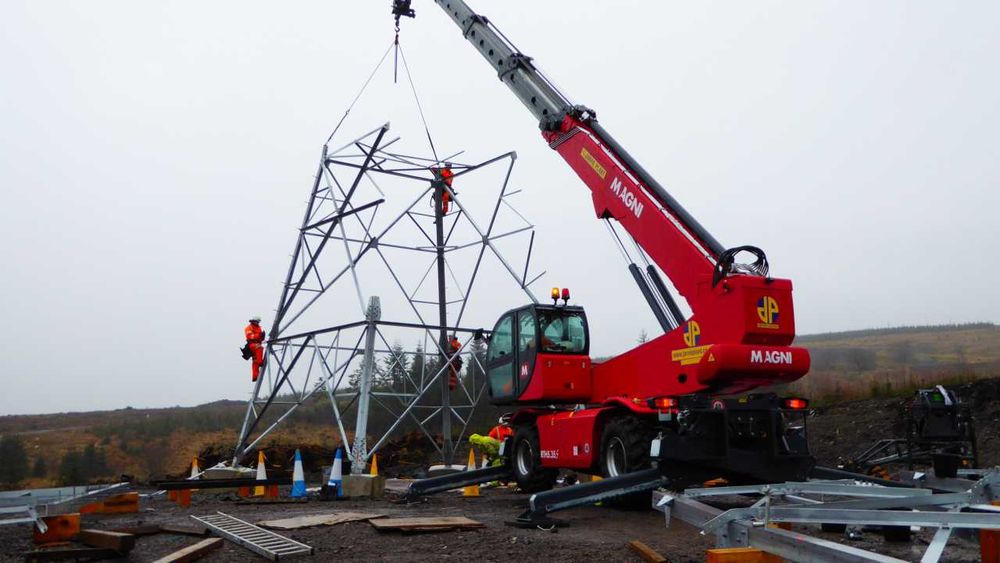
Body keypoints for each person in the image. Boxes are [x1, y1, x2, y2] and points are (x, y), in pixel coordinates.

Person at [245, 316, 266, 382]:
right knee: (260, 348)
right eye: (257, 322)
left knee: (255, 361)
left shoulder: (259, 327)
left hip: (257, 343)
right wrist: (258, 335)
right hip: (252, 345)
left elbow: (260, 338)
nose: (258, 323)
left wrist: (262, 337)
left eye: (258, 322)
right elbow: (250, 336)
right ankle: (260, 362)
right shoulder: (249, 327)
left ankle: (255, 376)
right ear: (253, 321)